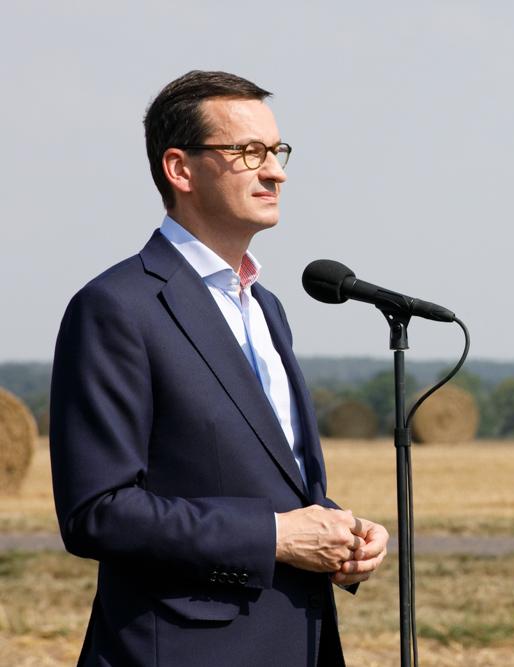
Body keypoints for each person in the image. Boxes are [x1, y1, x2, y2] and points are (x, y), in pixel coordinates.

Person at [49, 70, 389, 667]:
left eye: (277, 151)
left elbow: (265, 480)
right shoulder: (117, 307)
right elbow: (96, 512)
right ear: (180, 169)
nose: (276, 172)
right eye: (249, 152)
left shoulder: (267, 307)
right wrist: (274, 536)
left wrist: (342, 531)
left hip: (298, 641)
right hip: (186, 650)